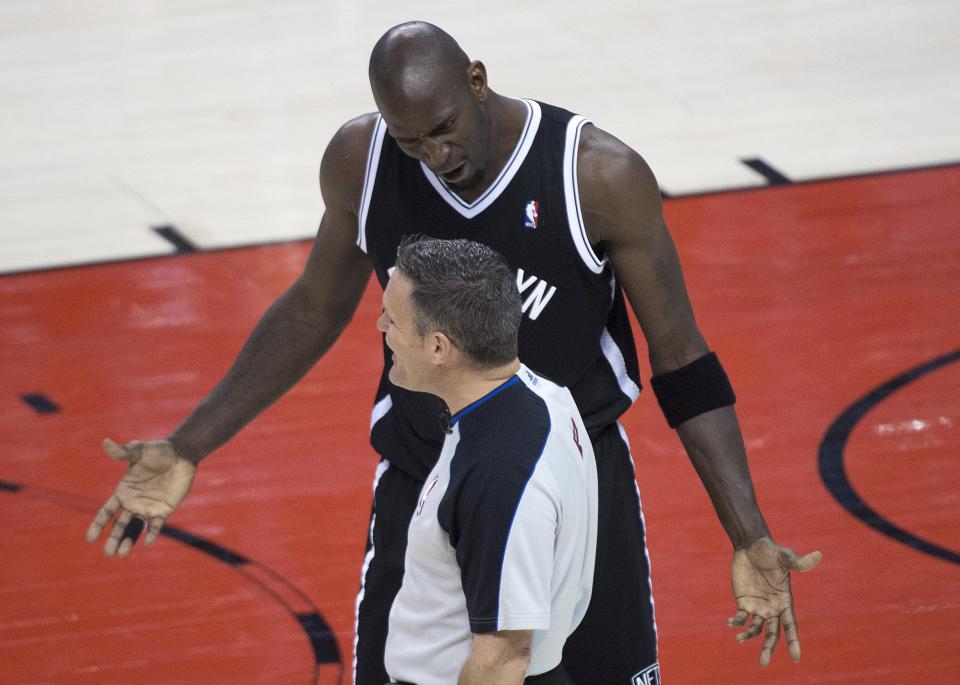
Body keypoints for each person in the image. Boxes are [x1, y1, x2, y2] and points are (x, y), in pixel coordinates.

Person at [85, 20, 822, 685]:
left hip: (567, 479)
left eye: (444, 128)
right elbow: (314, 305)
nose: (436, 156)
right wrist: (191, 443)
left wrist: (749, 532)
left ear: (477, 79)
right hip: (427, 473)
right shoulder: (361, 162)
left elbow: (684, 361)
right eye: (412, 140)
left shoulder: (596, 176)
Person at [377, 236, 596, 685]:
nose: (380, 326)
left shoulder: (499, 473)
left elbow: (503, 657)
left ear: (439, 347)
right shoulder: (542, 396)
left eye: (393, 320)